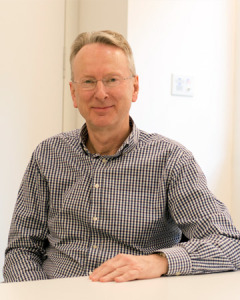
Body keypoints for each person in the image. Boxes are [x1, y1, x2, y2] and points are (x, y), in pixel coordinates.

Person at [3, 30, 240, 283]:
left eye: (112, 79)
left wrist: (159, 261)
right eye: (88, 81)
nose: (101, 93)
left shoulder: (171, 160)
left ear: (134, 87)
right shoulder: (48, 155)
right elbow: (21, 249)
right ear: (73, 93)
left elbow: (229, 245)